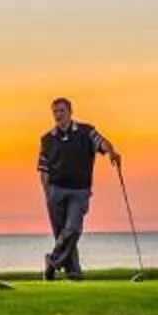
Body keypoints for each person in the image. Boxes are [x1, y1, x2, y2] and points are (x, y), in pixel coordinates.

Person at [37, 97, 120, 281]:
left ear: (70, 112)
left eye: (62, 111)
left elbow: (102, 142)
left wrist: (111, 153)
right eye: (55, 111)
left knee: (73, 229)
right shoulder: (47, 139)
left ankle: (52, 261)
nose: (58, 115)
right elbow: (43, 170)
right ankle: (73, 272)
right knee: (63, 234)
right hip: (55, 191)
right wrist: (47, 194)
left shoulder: (86, 131)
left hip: (79, 190)